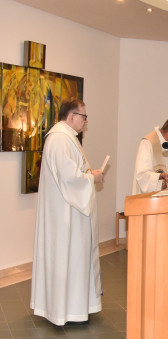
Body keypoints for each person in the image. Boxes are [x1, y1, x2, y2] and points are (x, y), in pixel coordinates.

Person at [30, 99, 105, 326]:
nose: (86, 121)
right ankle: (67, 311)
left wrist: (88, 173)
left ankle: (72, 307)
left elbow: (72, 172)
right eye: (84, 116)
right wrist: (92, 177)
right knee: (68, 258)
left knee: (72, 260)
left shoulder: (66, 138)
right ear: (71, 116)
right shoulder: (61, 139)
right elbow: (69, 178)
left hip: (68, 212)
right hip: (66, 216)